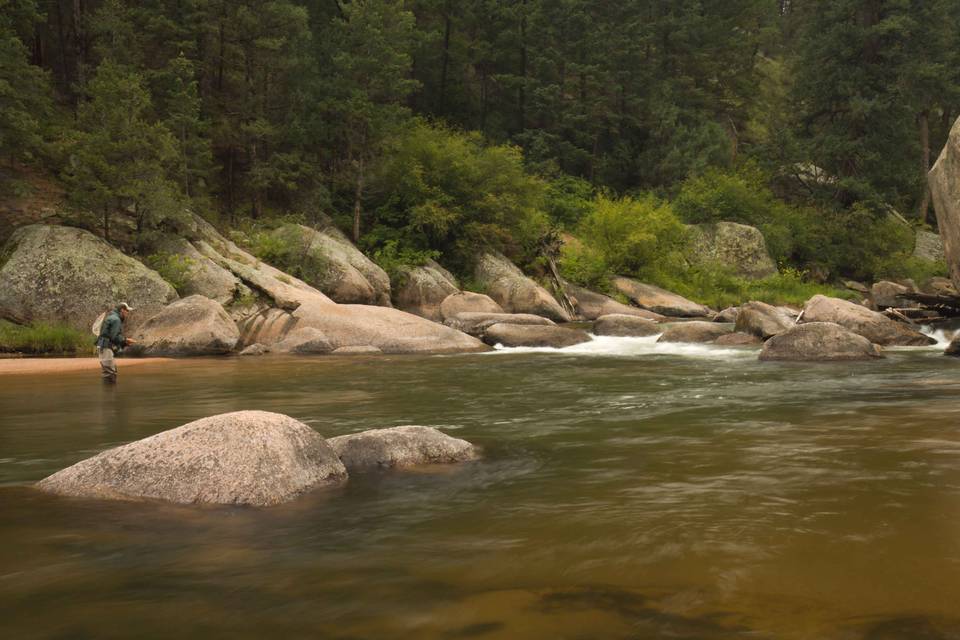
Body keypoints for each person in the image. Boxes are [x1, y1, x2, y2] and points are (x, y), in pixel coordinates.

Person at [96, 302, 136, 383]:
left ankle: (108, 393)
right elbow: (115, 337)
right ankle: (109, 394)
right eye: (127, 311)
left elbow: (111, 335)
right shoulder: (116, 320)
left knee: (109, 371)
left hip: (103, 346)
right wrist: (125, 341)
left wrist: (124, 341)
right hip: (105, 347)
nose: (128, 313)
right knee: (110, 372)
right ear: (122, 310)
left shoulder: (112, 317)